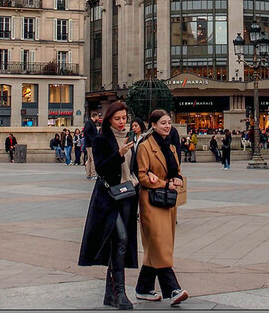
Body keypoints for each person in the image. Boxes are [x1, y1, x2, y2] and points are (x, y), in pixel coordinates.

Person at [78, 101, 139, 310]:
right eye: (118, 119)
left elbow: (134, 166)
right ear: (109, 120)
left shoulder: (131, 139)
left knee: (120, 244)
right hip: (109, 198)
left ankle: (110, 293)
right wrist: (119, 153)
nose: (122, 122)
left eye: (124, 118)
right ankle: (120, 292)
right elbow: (101, 168)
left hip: (128, 195)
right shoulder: (102, 139)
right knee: (120, 239)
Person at [135, 109, 188, 306]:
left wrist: (177, 179)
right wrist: (164, 183)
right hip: (151, 201)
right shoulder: (145, 147)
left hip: (167, 202)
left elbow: (177, 171)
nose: (167, 126)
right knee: (159, 244)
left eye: (169, 122)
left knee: (157, 246)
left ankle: (144, 287)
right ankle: (172, 288)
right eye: (163, 123)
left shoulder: (172, 148)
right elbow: (142, 176)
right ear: (153, 125)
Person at [83, 110, 100, 180]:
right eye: (98, 116)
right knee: (92, 159)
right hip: (90, 144)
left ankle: (89, 174)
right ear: (95, 116)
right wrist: (92, 139)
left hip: (89, 143)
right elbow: (86, 132)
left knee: (90, 159)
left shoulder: (90, 123)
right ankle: (93, 173)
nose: (98, 118)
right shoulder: (90, 123)